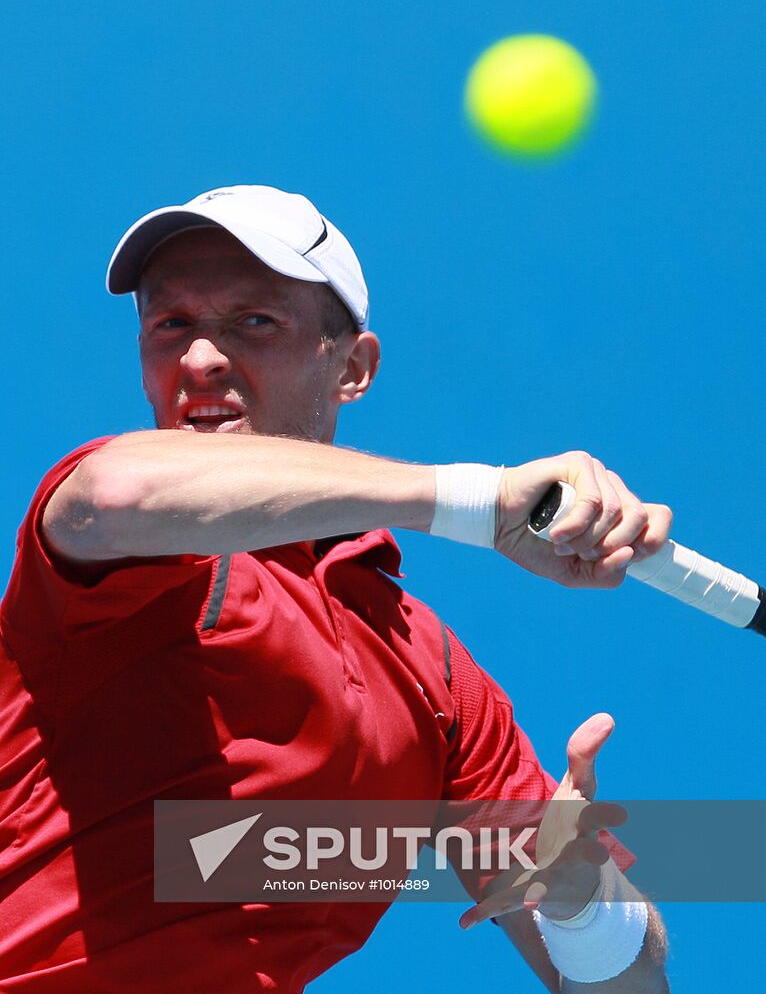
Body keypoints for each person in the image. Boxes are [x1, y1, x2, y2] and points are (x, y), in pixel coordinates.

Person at [0, 185, 671, 992]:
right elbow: (115, 497)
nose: (201, 358)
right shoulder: (123, 537)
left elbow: (627, 986)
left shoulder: (439, 682)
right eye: (170, 324)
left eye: (254, 322)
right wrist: (474, 499)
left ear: (353, 367)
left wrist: (580, 905)